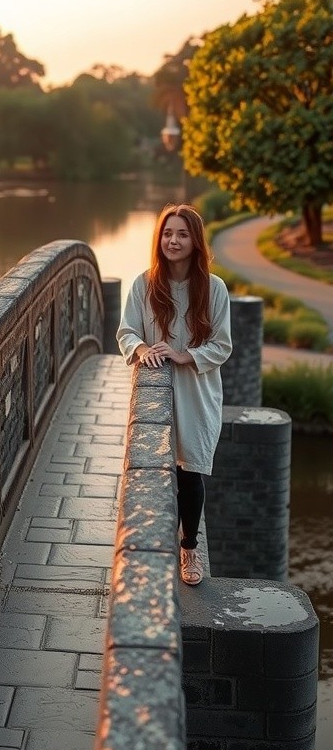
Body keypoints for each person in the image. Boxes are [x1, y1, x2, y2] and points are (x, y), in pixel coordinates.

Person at [116, 203, 232, 586]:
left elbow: (222, 345)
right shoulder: (144, 284)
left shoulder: (213, 289)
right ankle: (149, 543)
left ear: (195, 241)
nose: (173, 241)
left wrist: (185, 355)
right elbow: (126, 332)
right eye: (167, 233)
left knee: (191, 470)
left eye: (182, 234)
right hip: (155, 393)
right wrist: (141, 350)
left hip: (197, 391)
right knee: (153, 470)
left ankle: (189, 548)